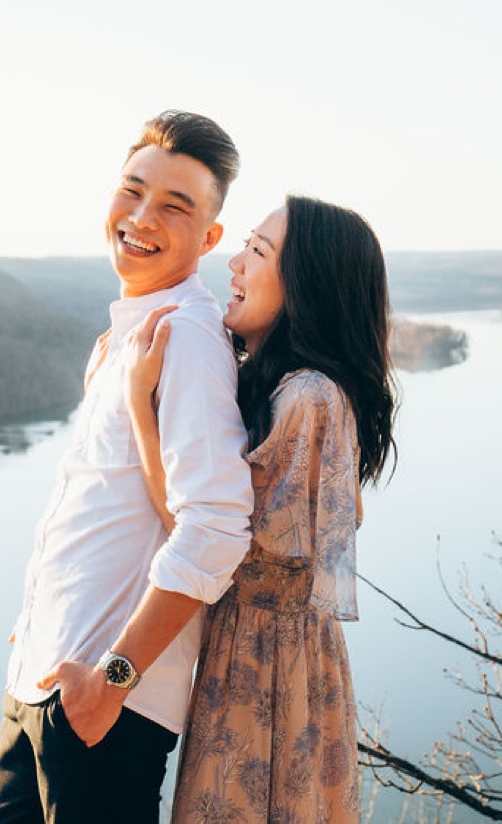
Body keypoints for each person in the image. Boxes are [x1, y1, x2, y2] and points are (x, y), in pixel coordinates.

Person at [0, 111, 255, 824]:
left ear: (210, 237)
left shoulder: (185, 336)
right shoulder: (124, 339)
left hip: (104, 716)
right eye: (133, 190)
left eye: (174, 205)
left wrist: (113, 679)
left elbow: (219, 527)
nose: (141, 216)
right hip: (45, 689)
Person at [120, 195, 398, 822]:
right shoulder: (278, 387)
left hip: (270, 675)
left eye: (257, 251)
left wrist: (141, 407)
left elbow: (222, 549)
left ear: (305, 286)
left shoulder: (309, 398)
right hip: (256, 661)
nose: (235, 265)